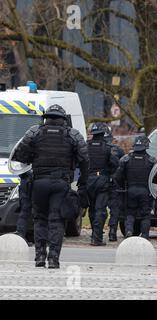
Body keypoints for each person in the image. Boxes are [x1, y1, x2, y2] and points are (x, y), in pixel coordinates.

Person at [11, 104, 89, 268]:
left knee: (40, 219)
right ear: (63, 119)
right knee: (57, 220)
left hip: (39, 182)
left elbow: (20, 155)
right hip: (60, 183)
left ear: (46, 117)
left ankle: (40, 256)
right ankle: (53, 259)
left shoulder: (34, 132)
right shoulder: (73, 134)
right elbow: (85, 160)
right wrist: (82, 182)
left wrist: (34, 157)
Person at [114, 136, 155, 239]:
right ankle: (145, 235)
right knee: (146, 214)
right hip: (145, 191)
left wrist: (122, 186)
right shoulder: (151, 160)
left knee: (130, 212)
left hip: (130, 190)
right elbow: (156, 177)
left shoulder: (126, 159)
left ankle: (128, 230)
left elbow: (118, 176)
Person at [87, 122, 119, 246]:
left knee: (92, 208)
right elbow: (115, 163)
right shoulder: (107, 147)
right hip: (102, 180)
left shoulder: (86, 146)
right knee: (100, 210)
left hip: (88, 179)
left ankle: (94, 233)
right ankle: (97, 237)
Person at [104, 127, 125, 241]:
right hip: (114, 182)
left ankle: (96, 233)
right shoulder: (118, 150)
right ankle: (112, 232)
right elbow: (123, 167)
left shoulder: (96, 149)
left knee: (98, 207)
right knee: (115, 208)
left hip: (100, 181)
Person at [15, 171, 33, 241]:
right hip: (29, 179)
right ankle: (20, 236)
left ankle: (20, 236)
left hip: (28, 179)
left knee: (24, 212)